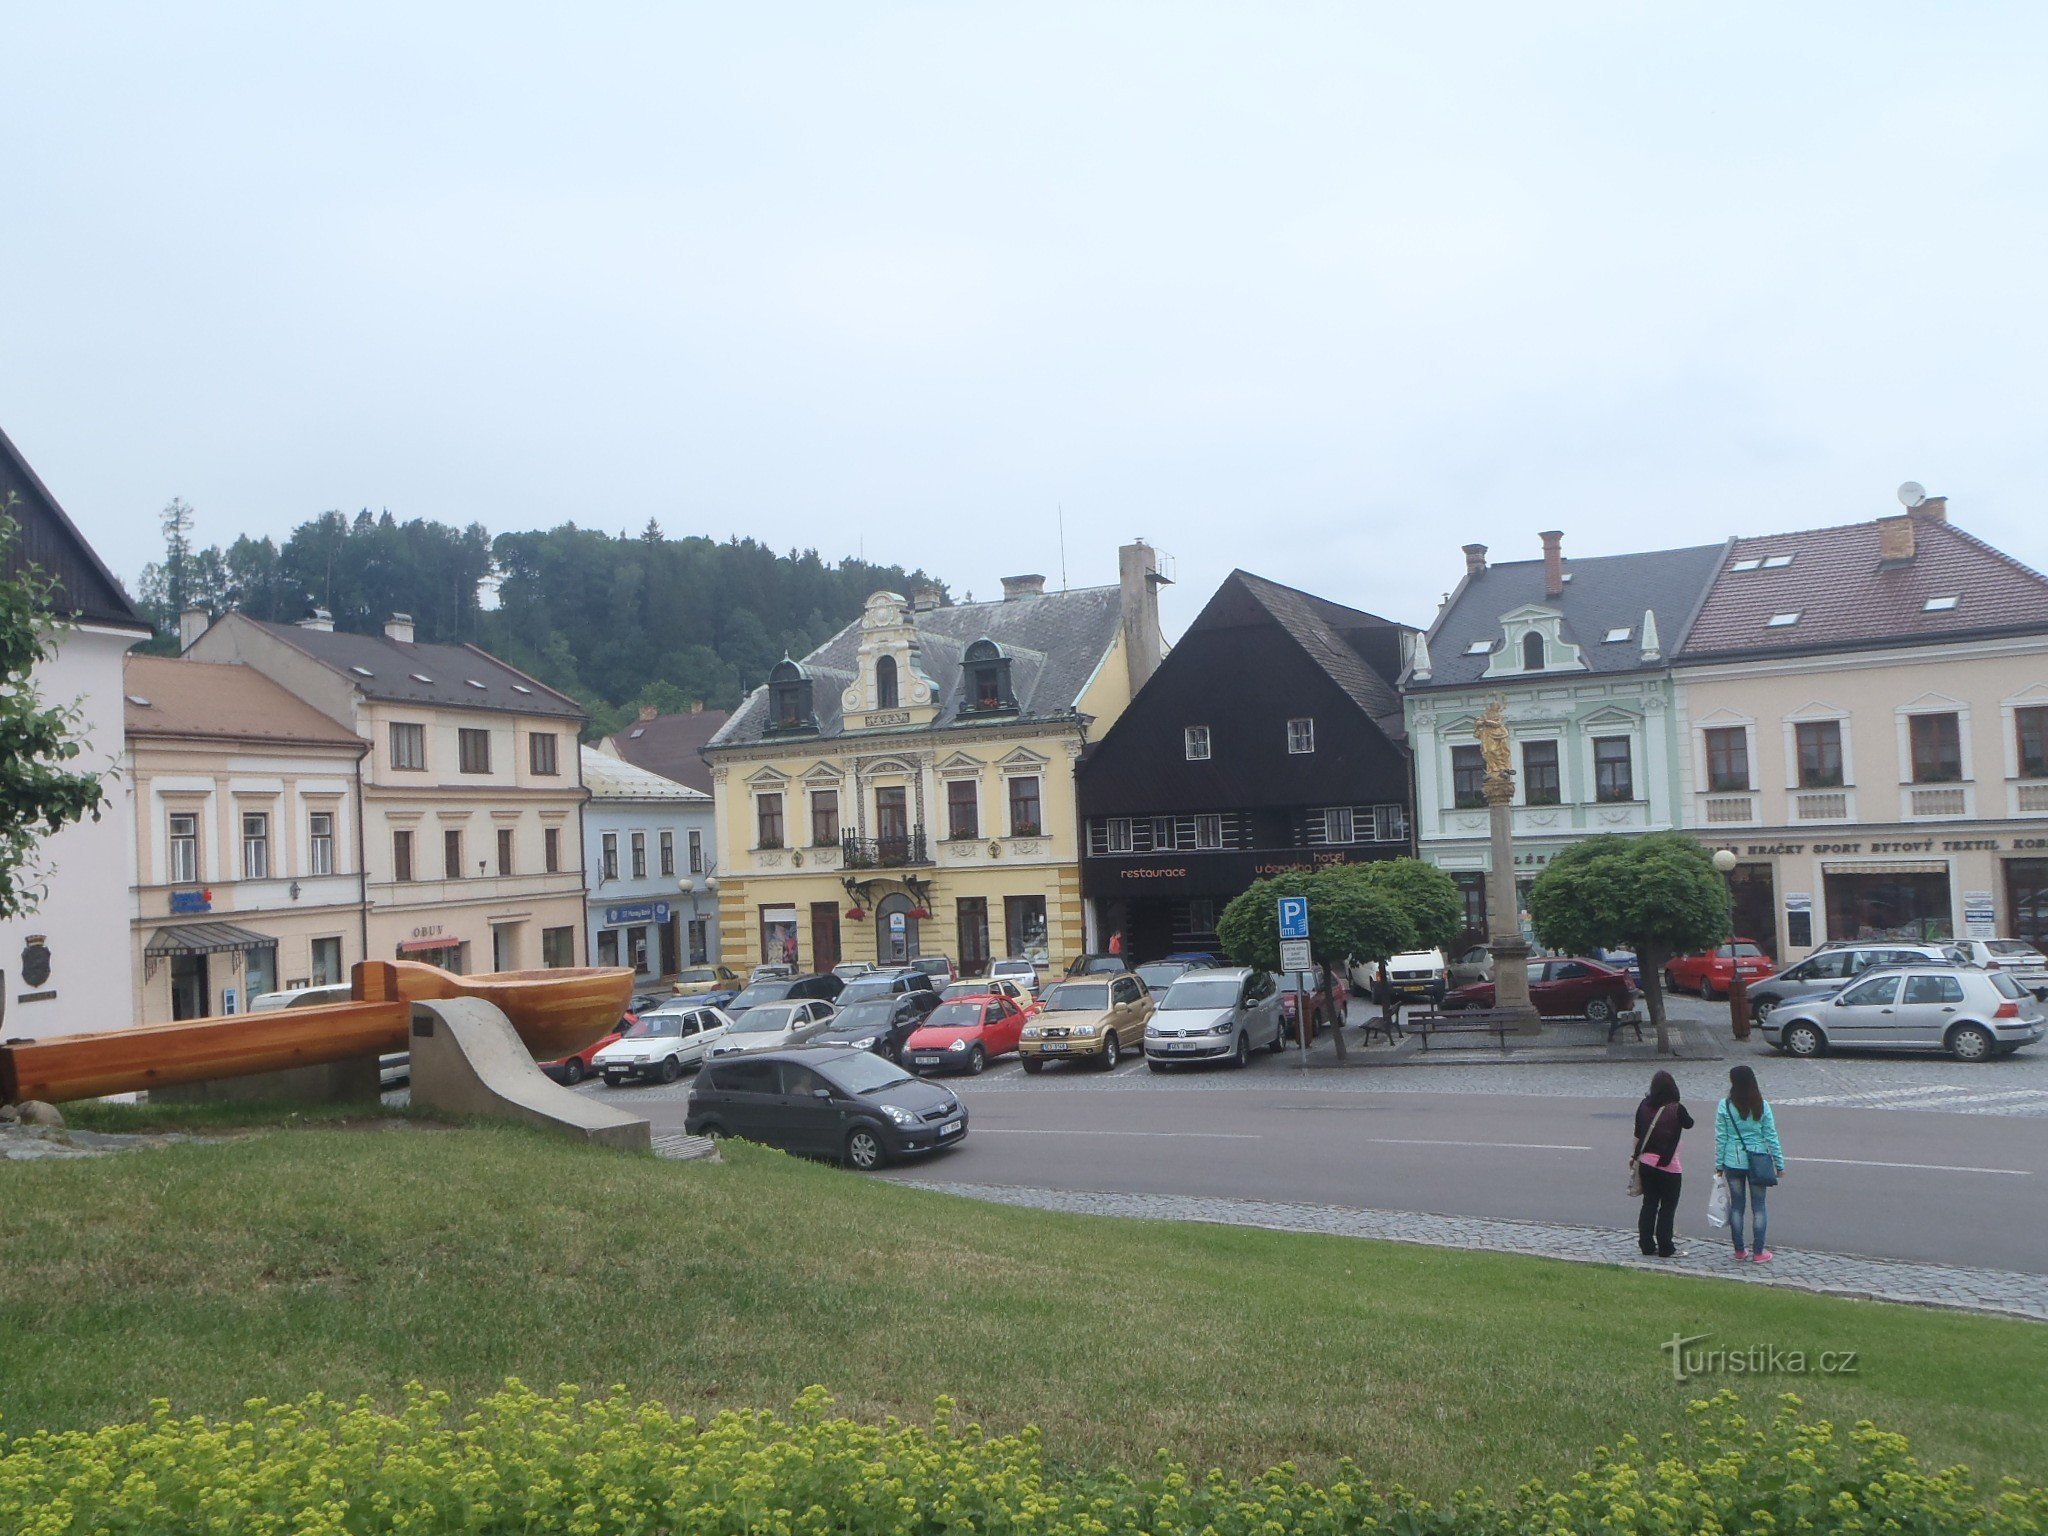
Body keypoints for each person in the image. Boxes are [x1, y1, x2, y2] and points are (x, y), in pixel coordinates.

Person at [1715, 1063, 1785, 1263]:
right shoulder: (1761, 1105)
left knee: (1737, 1207)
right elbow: (1771, 1136)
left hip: (1732, 1161)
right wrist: (1779, 1164)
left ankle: (1739, 1250)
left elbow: (1721, 1137)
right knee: (1759, 1207)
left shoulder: (1725, 1105)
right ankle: (1759, 1251)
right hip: (1758, 1160)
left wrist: (1719, 1164)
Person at [1632, 1069, 1694, 1258]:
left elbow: (1637, 1134)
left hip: (1645, 1163)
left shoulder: (1643, 1106)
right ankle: (1666, 1246)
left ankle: (1646, 1244)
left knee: (1649, 1203)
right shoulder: (1676, 1109)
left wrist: (1634, 1157)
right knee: (1667, 1207)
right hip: (1669, 1166)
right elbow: (1689, 1123)